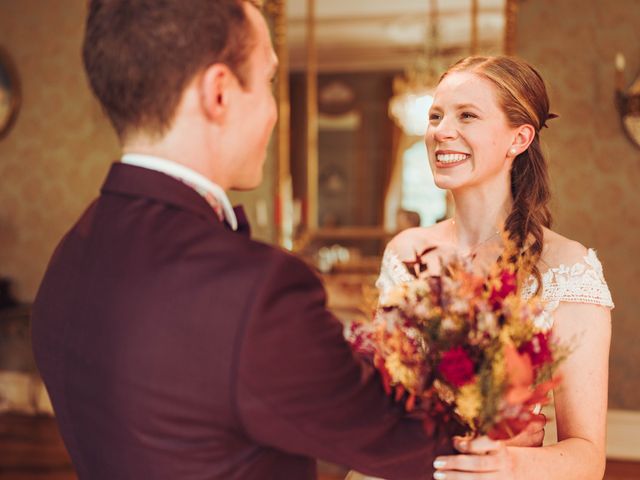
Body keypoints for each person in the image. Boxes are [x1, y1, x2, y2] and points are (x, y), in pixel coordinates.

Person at [29, 1, 469, 478]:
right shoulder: (255, 290)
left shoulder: (71, 251)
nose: (273, 112)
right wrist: (492, 408)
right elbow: (408, 445)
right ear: (219, 93)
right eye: (269, 83)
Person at [377, 56, 613, 480]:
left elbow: (588, 457)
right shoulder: (405, 252)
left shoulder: (567, 267)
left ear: (519, 138)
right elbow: (380, 404)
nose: (440, 131)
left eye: (467, 115)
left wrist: (507, 461)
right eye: (436, 115)